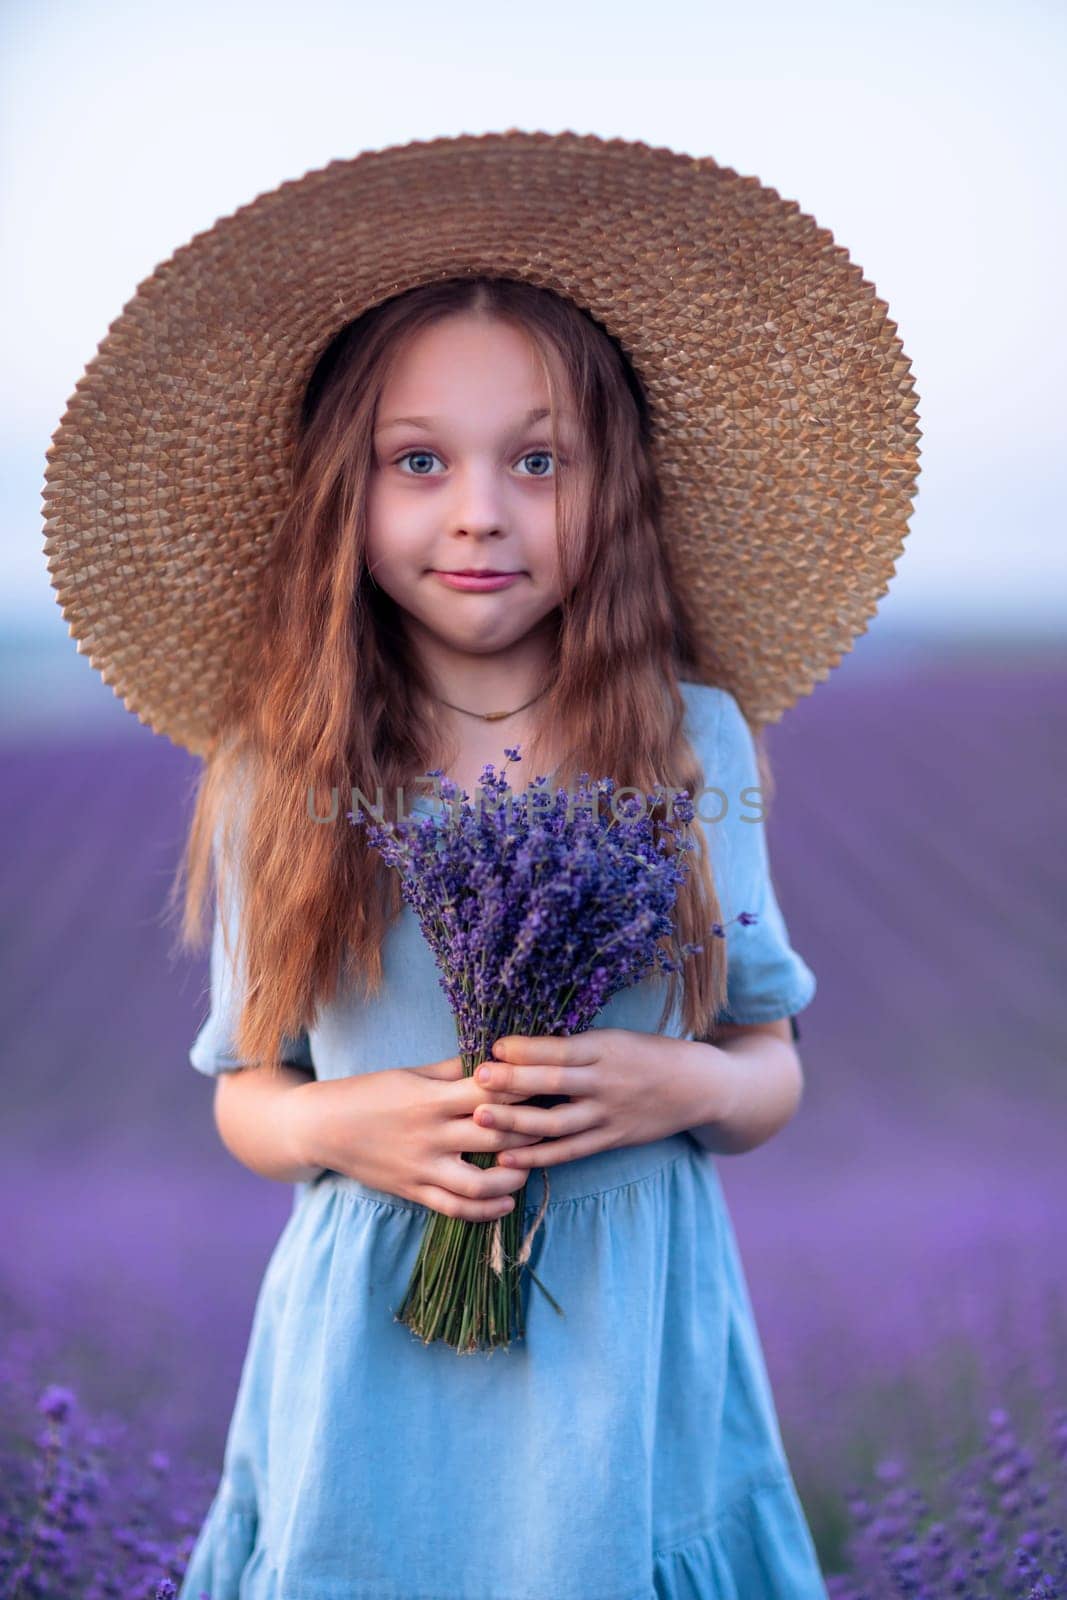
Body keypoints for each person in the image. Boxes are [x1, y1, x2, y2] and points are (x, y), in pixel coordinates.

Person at [42, 131, 921, 1600]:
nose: (478, 512)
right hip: (376, 1354)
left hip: (631, 1374)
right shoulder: (286, 765)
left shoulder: (688, 739)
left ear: (615, 489)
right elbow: (251, 1094)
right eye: (417, 462)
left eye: (537, 461)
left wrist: (680, 1087)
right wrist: (350, 1125)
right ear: (345, 495)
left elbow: (770, 1064)